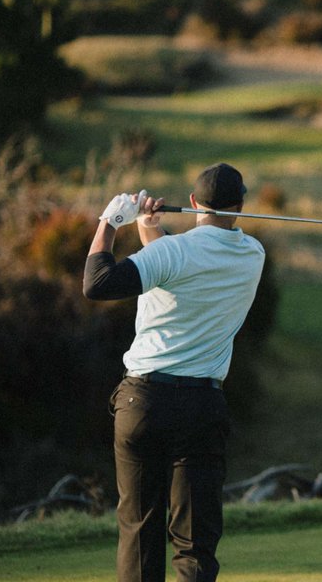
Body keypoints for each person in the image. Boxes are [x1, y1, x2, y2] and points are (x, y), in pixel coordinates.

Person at [83, 162, 265, 582]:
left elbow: (97, 283)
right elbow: (179, 270)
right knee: (194, 543)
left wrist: (110, 221)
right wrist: (150, 227)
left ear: (195, 202)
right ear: (241, 205)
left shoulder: (171, 252)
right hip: (202, 407)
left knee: (139, 531)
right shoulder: (252, 256)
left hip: (142, 405)